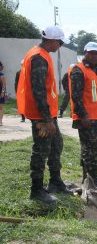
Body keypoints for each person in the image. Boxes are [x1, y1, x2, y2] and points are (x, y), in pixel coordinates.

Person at [17, 26, 72, 204]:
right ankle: (37, 190)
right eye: (60, 42)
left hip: (47, 113)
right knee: (41, 151)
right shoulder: (39, 57)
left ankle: (55, 182)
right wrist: (47, 119)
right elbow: (38, 90)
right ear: (51, 40)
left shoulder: (41, 54)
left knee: (56, 145)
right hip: (41, 115)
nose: (60, 45)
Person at [69, 41, 97, 187]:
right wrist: (83, 116)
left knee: (93, 148)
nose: (94, 56)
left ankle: (91, 177)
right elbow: (76, 96)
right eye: (91, 53)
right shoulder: (78, 70)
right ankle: (91, 178)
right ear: (85, 53)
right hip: (86, 118)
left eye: (96, 53)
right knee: (88, 149)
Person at [0, 61, 6, 126]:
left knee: (1, 107)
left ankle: (0, 121)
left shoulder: (1, 75)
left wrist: (3, 92)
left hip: (0, 92)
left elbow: (4, 84)